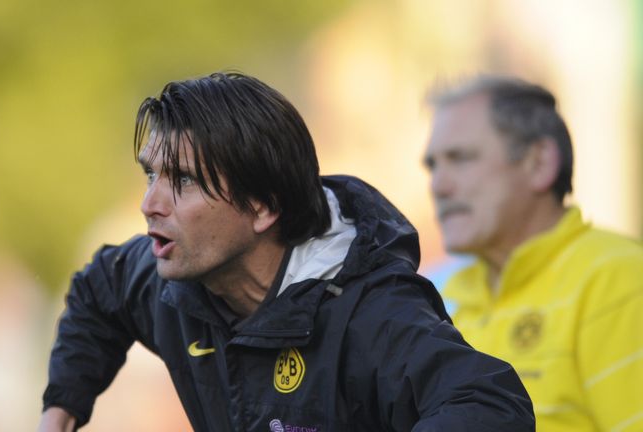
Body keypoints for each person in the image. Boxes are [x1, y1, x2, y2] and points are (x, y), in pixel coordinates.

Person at [39, 72, 534, 432]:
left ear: (262, 207)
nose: (150, 204)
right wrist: (60, 410)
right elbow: (98, 291)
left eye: (183, 181)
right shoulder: (171, 278)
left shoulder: (371, 312)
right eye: (151, 175)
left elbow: (492, 403)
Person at [423, 75, 643, 431]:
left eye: (460, 158)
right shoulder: (443, 299)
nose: (438, 185)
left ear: (539, 163)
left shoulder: (618, 279)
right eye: (432, 165)